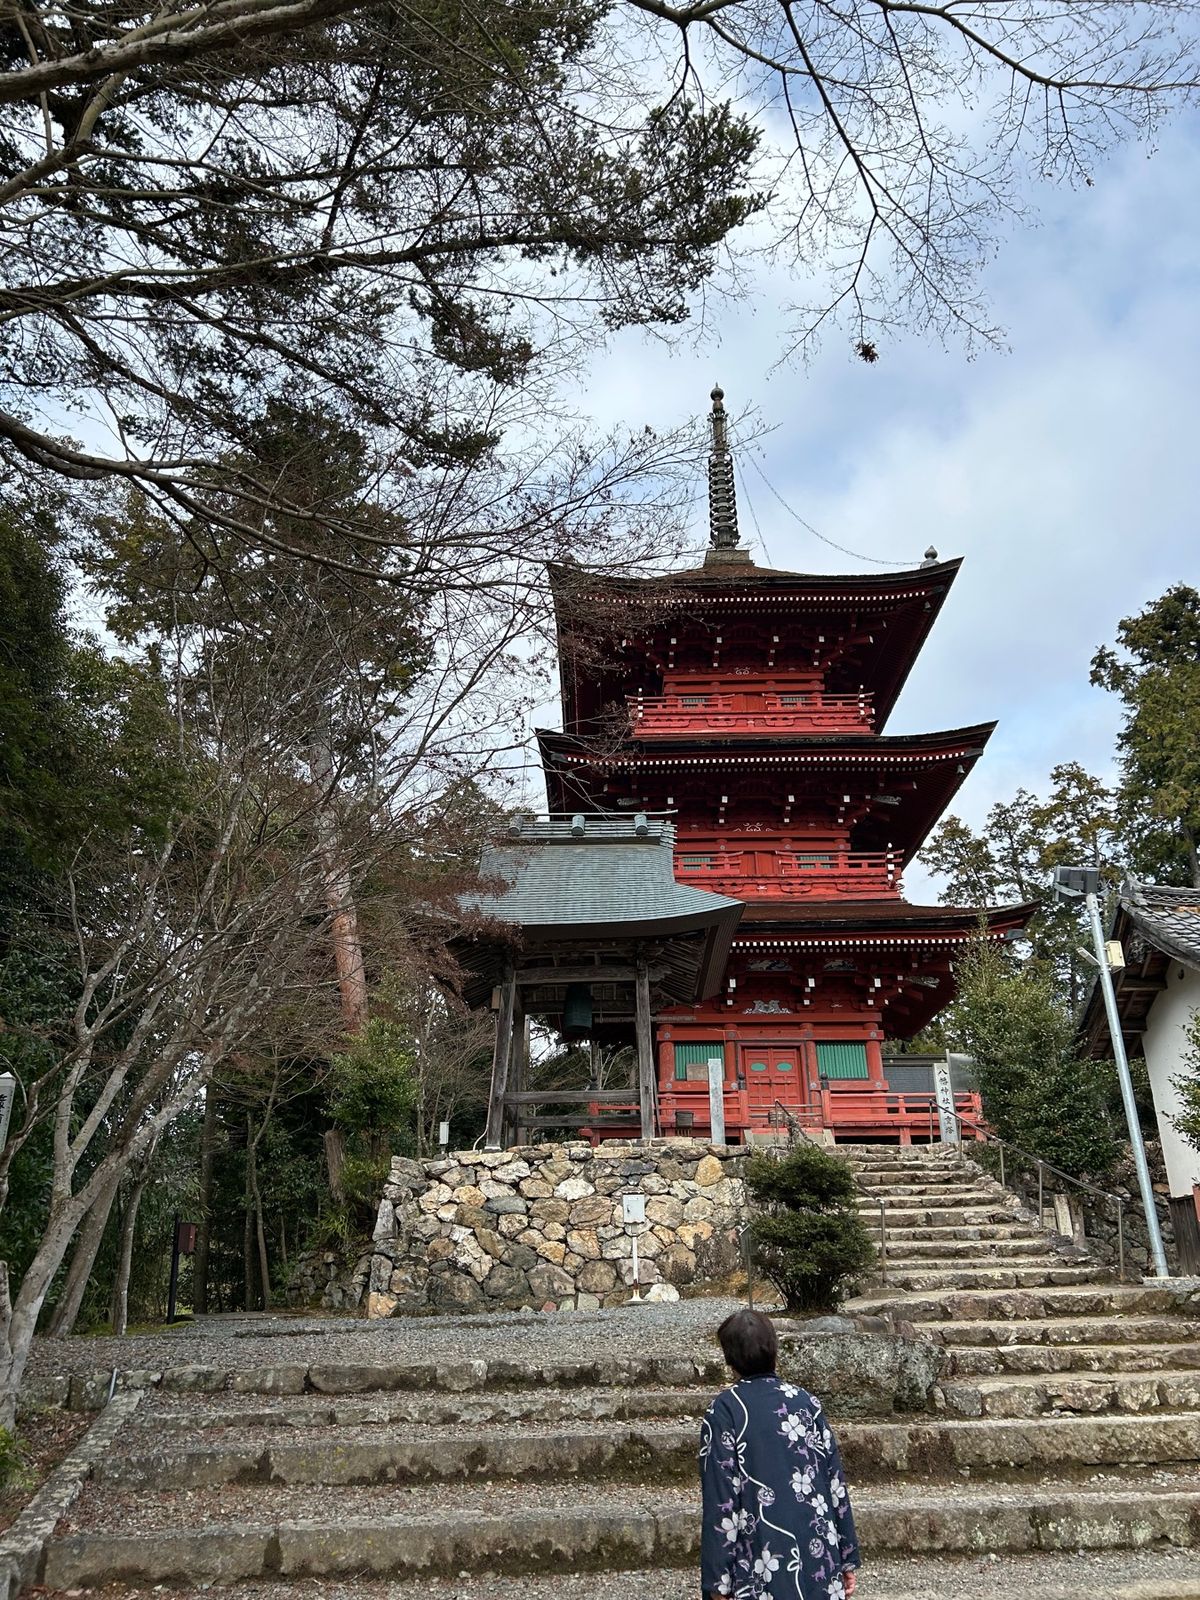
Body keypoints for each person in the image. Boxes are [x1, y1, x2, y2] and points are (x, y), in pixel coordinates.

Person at [700, 1309, 860, 1600]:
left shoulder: (725, 1411)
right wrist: (846, 1557)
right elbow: (835, 1483)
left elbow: (721, 1499)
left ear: (729, 1358)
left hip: (759, 1555)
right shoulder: (806, 1402)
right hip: (818, 1550)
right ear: (774, 1349)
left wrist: (718, 1580)